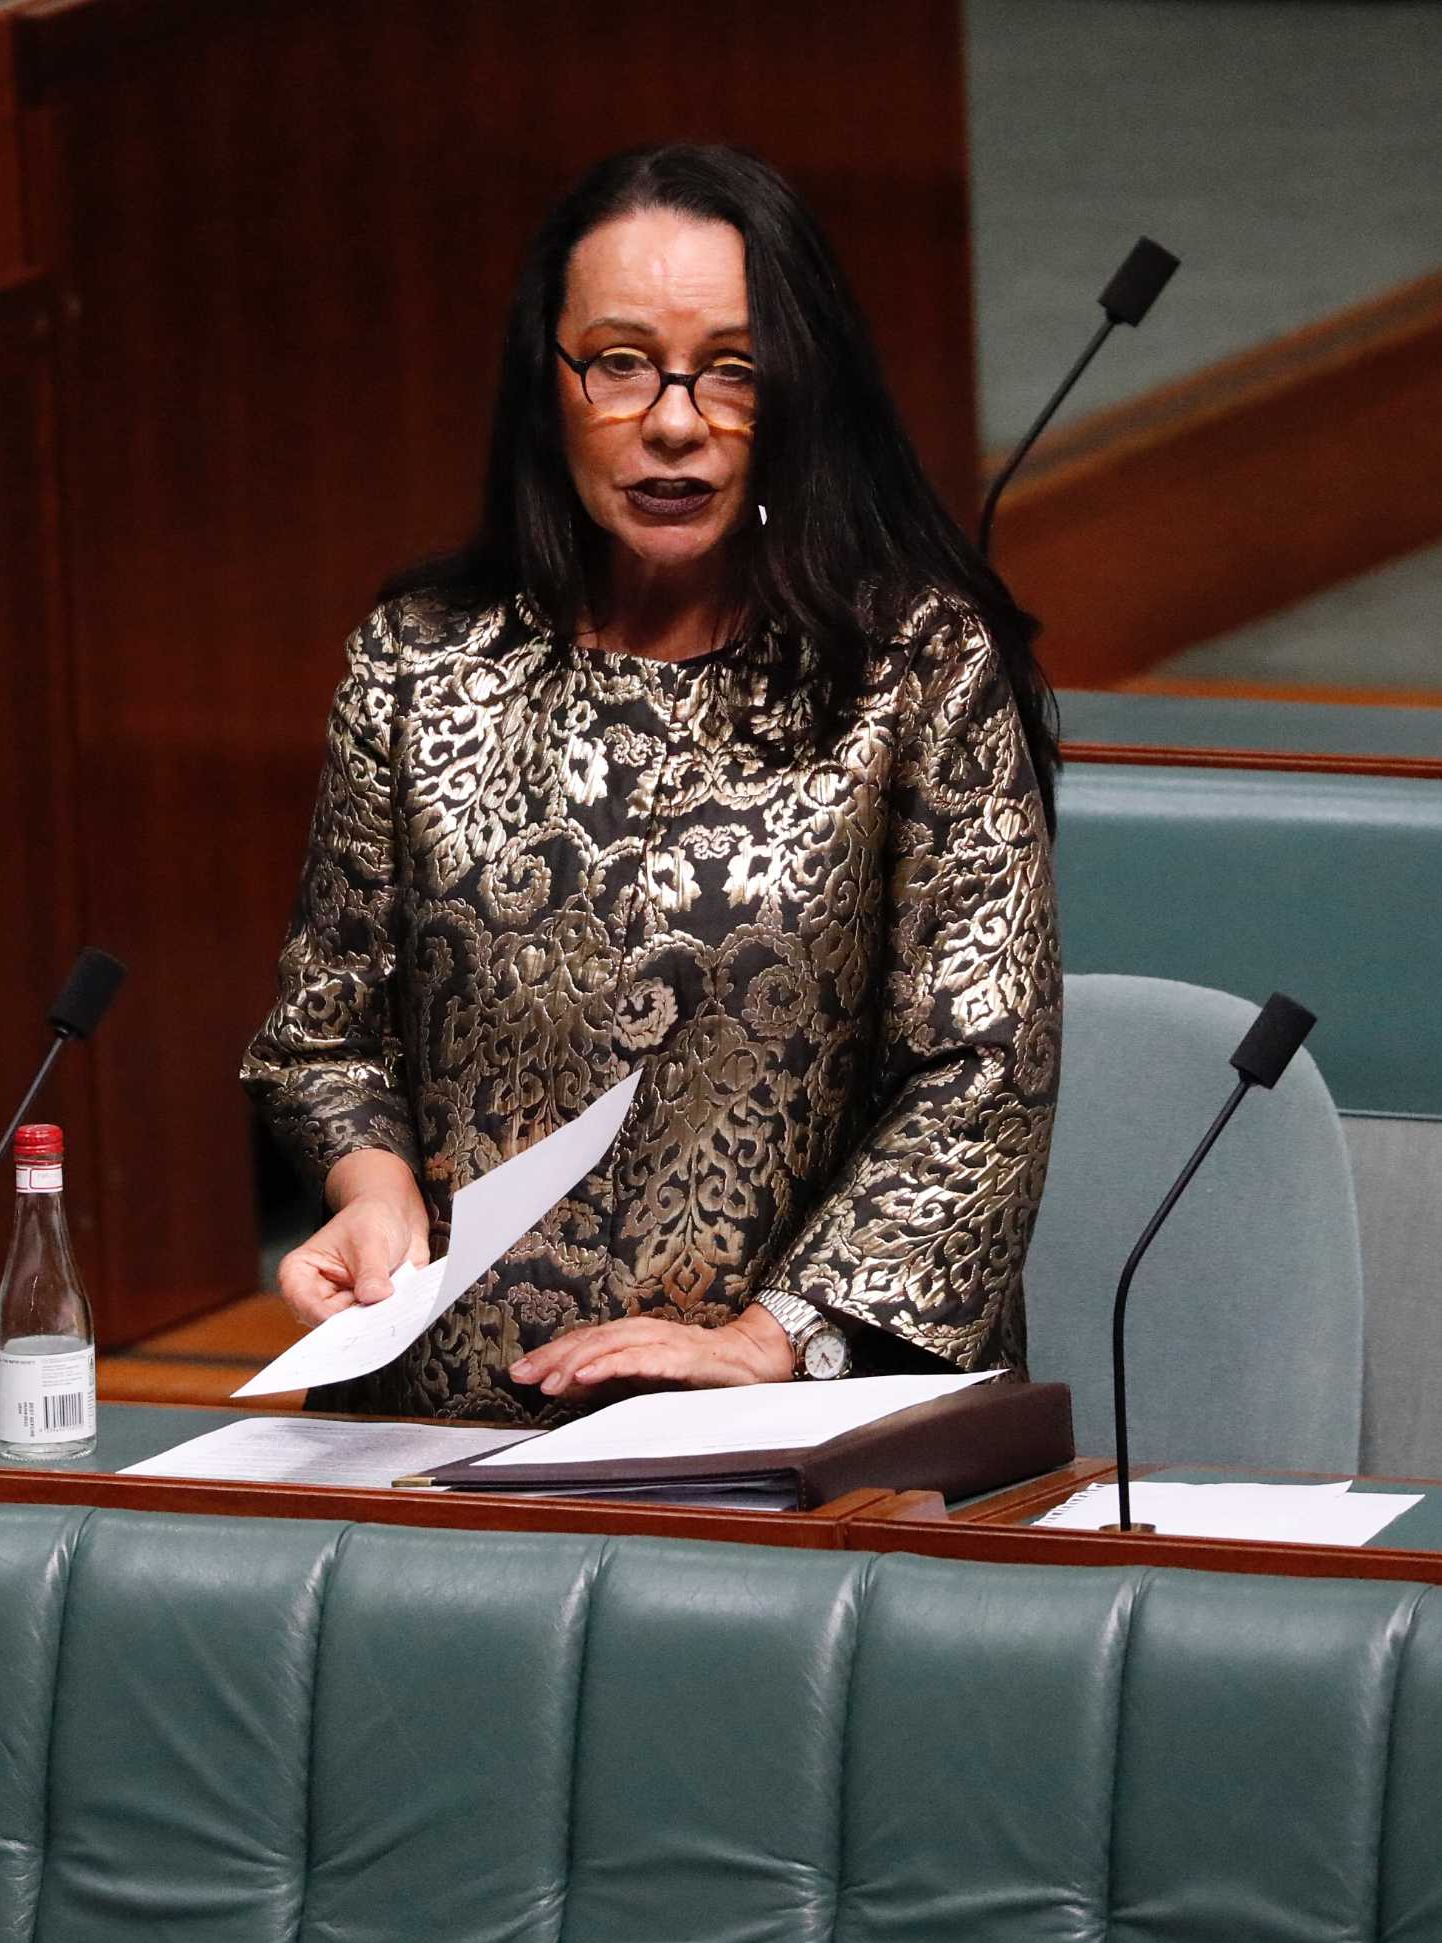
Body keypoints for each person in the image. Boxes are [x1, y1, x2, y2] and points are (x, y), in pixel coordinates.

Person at [239, 142, 1060, 1424]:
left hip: (777, 1433)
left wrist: (771, 1338)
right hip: (441, 1426)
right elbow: (326, 1033)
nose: (674, 419)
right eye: (621, 362)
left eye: (731, 371)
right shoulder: (419, 661)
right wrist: (371, 1184)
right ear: (549, 382)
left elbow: (984, 1068)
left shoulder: (916, 673)